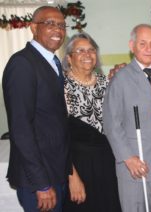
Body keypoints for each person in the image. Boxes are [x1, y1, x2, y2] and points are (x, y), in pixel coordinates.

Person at [103, 24, 151, 212]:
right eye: (143, 43)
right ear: (132, 46)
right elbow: (112, 123)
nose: (149, 48)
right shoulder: (119, 79)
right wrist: (128, 158)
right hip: (136, 166)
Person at [2, 6, 71, 212]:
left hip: (55, 171)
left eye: (61, 25)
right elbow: (21, 128)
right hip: (39, 179)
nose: (57, 30)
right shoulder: (22, 63)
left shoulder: (52, 62)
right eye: (49, 24)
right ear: (33, 27)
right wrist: (41, 183)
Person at [61, 32, 121, 212]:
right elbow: (57, 138)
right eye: (80, 50)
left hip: (109, 165)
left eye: (91, 50)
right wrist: (71, 176)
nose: (87, 55)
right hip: (78, 167)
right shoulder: (61, 86)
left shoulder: (108, 82)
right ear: (69, 58)